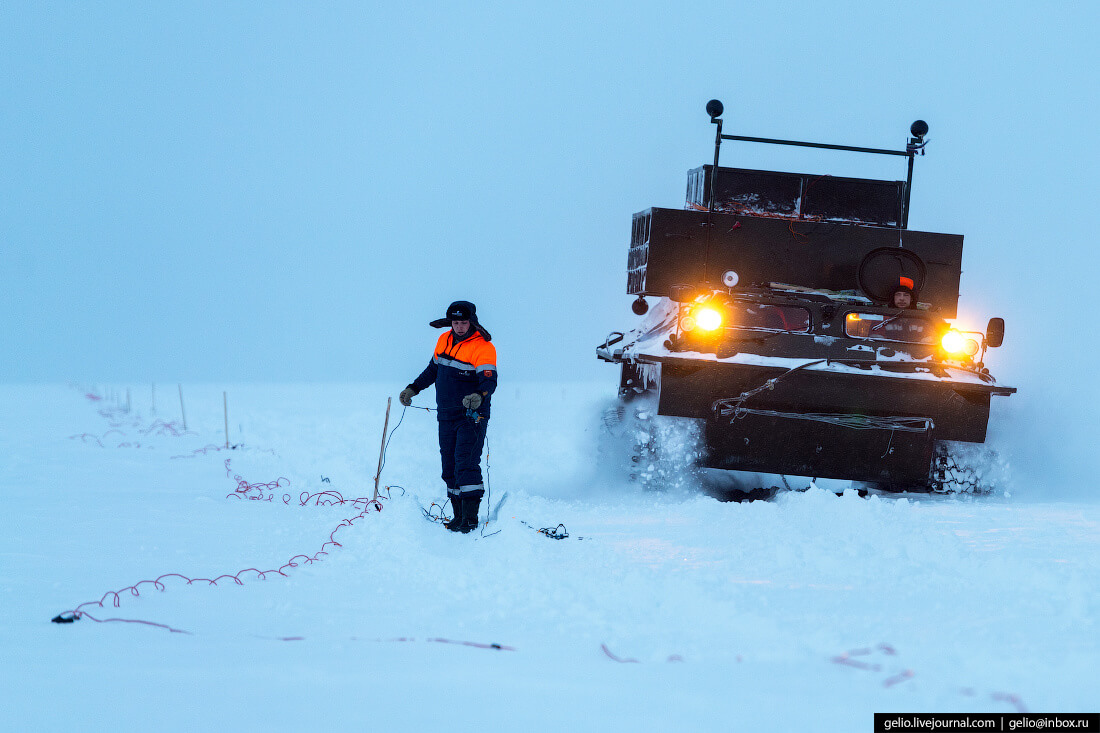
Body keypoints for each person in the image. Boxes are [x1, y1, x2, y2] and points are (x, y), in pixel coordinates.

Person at [399, 301, 497, 534]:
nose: (460, 327)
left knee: (466, 463)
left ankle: (470, 519)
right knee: (449, 466)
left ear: (471, 322)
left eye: (464, 322)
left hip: (472, 415)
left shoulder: (483, 347)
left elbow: (489, 380)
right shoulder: (444, 340)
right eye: (456, 322)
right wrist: (413, 388)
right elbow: (433, 370)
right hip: (445, 414)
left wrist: (479, 395)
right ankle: (458, 516)